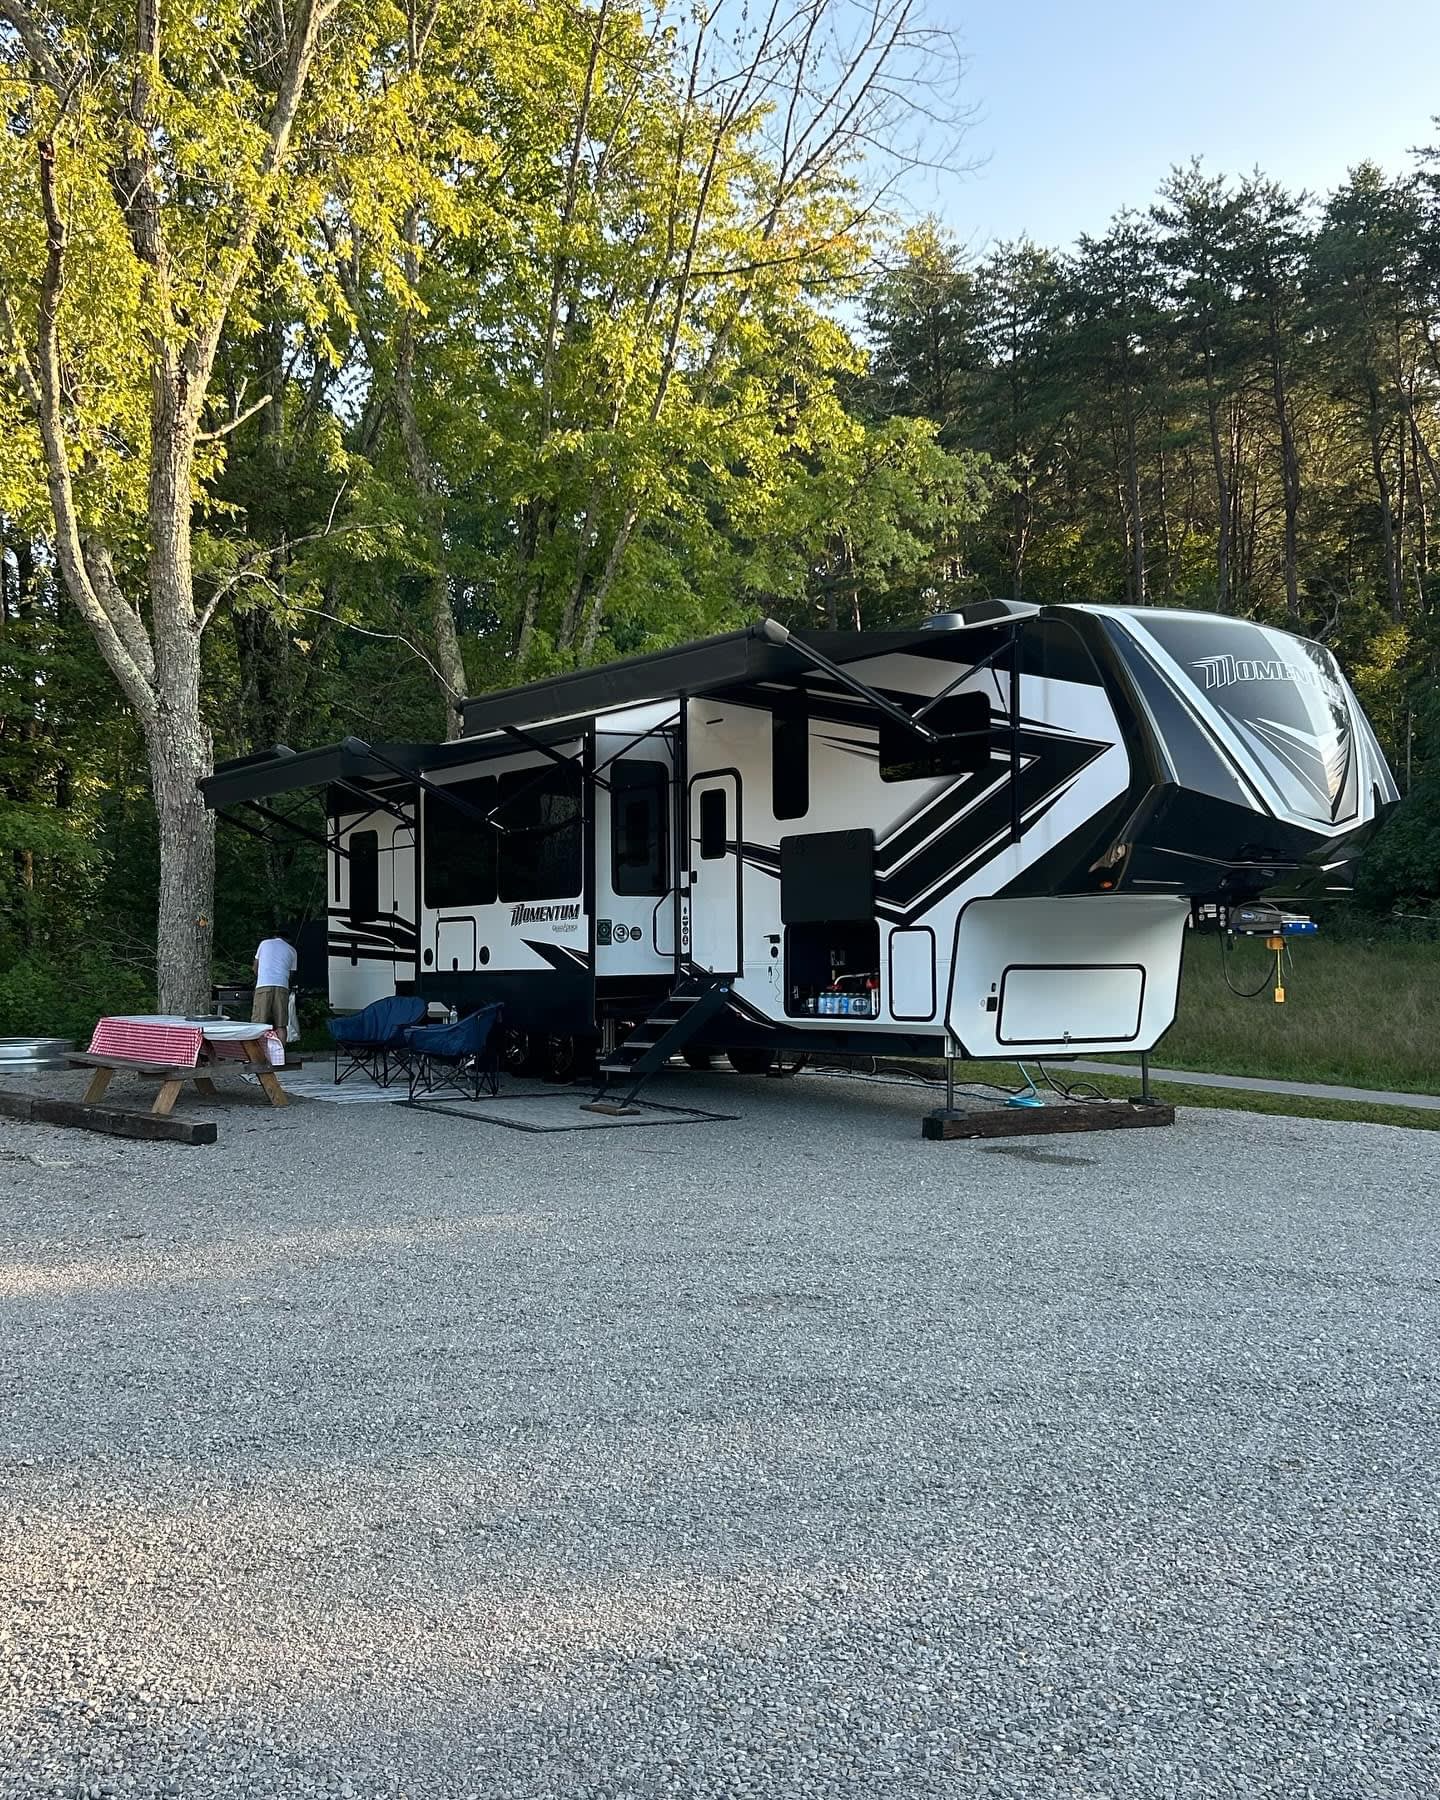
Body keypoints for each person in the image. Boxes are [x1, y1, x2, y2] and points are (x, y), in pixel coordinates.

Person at [251, 926, 298, 1034]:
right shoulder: (292, 950)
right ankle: (281, 1050)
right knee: (281, 1024)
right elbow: (291, 974)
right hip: (282, 986)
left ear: (275, 936)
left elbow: (255, 967)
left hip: (264, 984)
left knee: (258, 1023)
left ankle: (259, 1050)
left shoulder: (264, 944)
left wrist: (262, 977)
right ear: (288, 939)